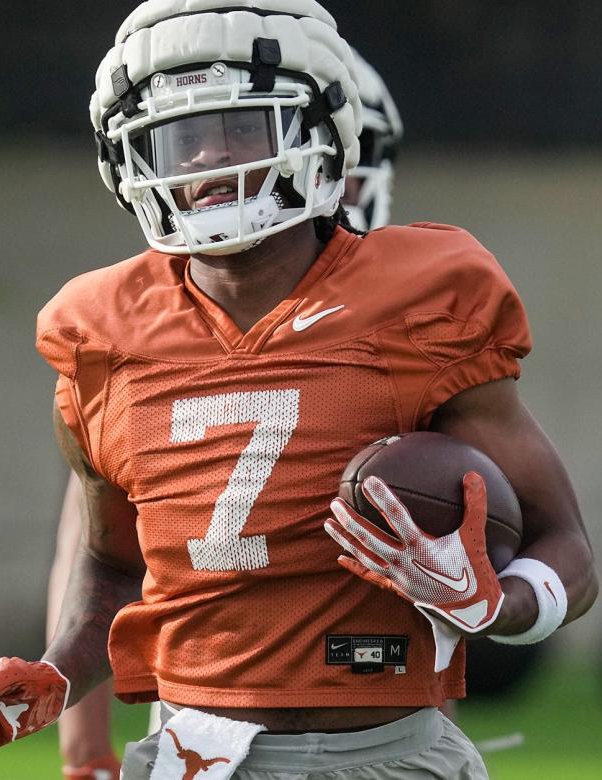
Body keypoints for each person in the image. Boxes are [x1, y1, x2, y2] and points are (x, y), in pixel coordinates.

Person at [0, 0, 596, 779]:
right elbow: (114, 566)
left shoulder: (425, 294)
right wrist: (60, 673)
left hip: (387, 755)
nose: (211, 157)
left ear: (320, 131)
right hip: (188, 754)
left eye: (243, 126)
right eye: (183, 136)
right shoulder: (100, 331)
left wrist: (499, 603)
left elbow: (567, 547)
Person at [45, 45, 406, 780]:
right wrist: (84, 754)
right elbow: (95, 555)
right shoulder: (164, 326)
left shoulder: (410, 313)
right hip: (210, 719)